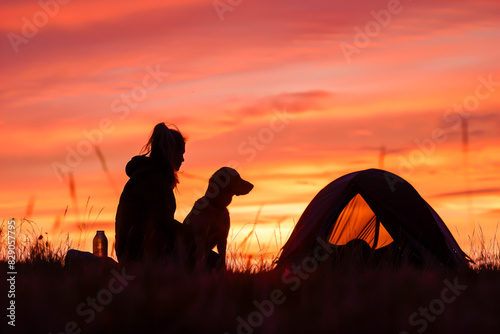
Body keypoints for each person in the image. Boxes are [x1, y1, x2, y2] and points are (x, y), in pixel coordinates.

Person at [115, 122, 191, 264]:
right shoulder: (153, 179)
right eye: (181, 153)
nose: (182, 159)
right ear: (171, 152)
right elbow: (162, 222)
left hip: (132, 252)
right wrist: (192, 235)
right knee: (209, 261)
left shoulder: (148, 175)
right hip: (139, 255)